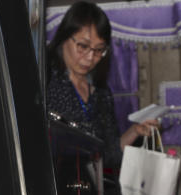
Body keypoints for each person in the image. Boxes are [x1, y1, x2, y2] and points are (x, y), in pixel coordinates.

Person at [46, 2, 156, 171]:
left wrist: (135, 131)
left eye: (99, 50)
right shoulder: (45, 80)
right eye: (83, 46)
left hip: (91, 192)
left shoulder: (101, 94)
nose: (90, 57)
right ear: (64, 37)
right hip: (54, 186)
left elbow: (109, 156)